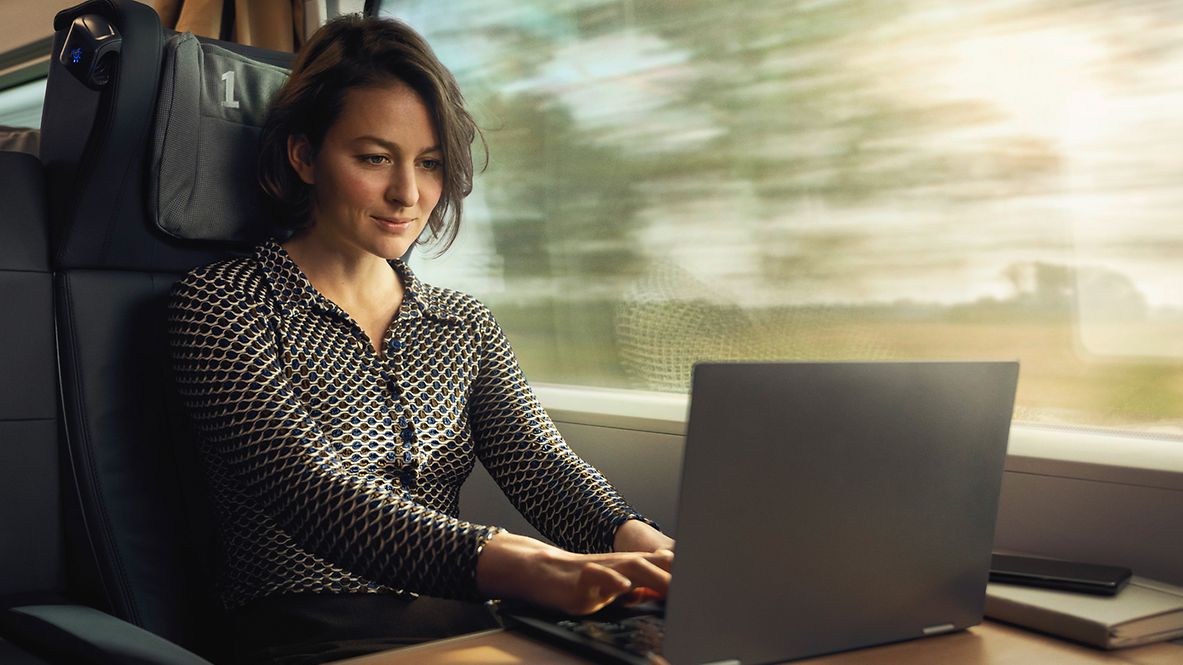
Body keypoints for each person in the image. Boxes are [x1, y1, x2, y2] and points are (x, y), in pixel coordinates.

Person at [167, 13, 674, 664]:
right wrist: (530, 564)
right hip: (310, 631)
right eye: (374, 157)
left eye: (430, 163)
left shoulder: (462, 322)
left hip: (466, 621)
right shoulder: (222, 305)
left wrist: (638, 540)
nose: (407, 194)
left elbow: (541, 467)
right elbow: (315, 492)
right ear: (303, 155)